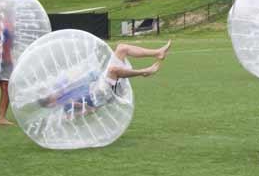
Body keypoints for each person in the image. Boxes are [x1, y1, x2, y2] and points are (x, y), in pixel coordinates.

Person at [37, 40, 171, 118]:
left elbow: (80, 75)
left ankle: (158, 52)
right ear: (52, 103)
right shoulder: (66, 107)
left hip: (99, 84)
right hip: (103, 95)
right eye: (51, 96)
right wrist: (79, 105)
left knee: (122, 48)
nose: (53, 92)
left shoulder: (66, 89)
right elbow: (92, 110)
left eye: (51, 93)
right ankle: (144, 72)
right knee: (113, 70)